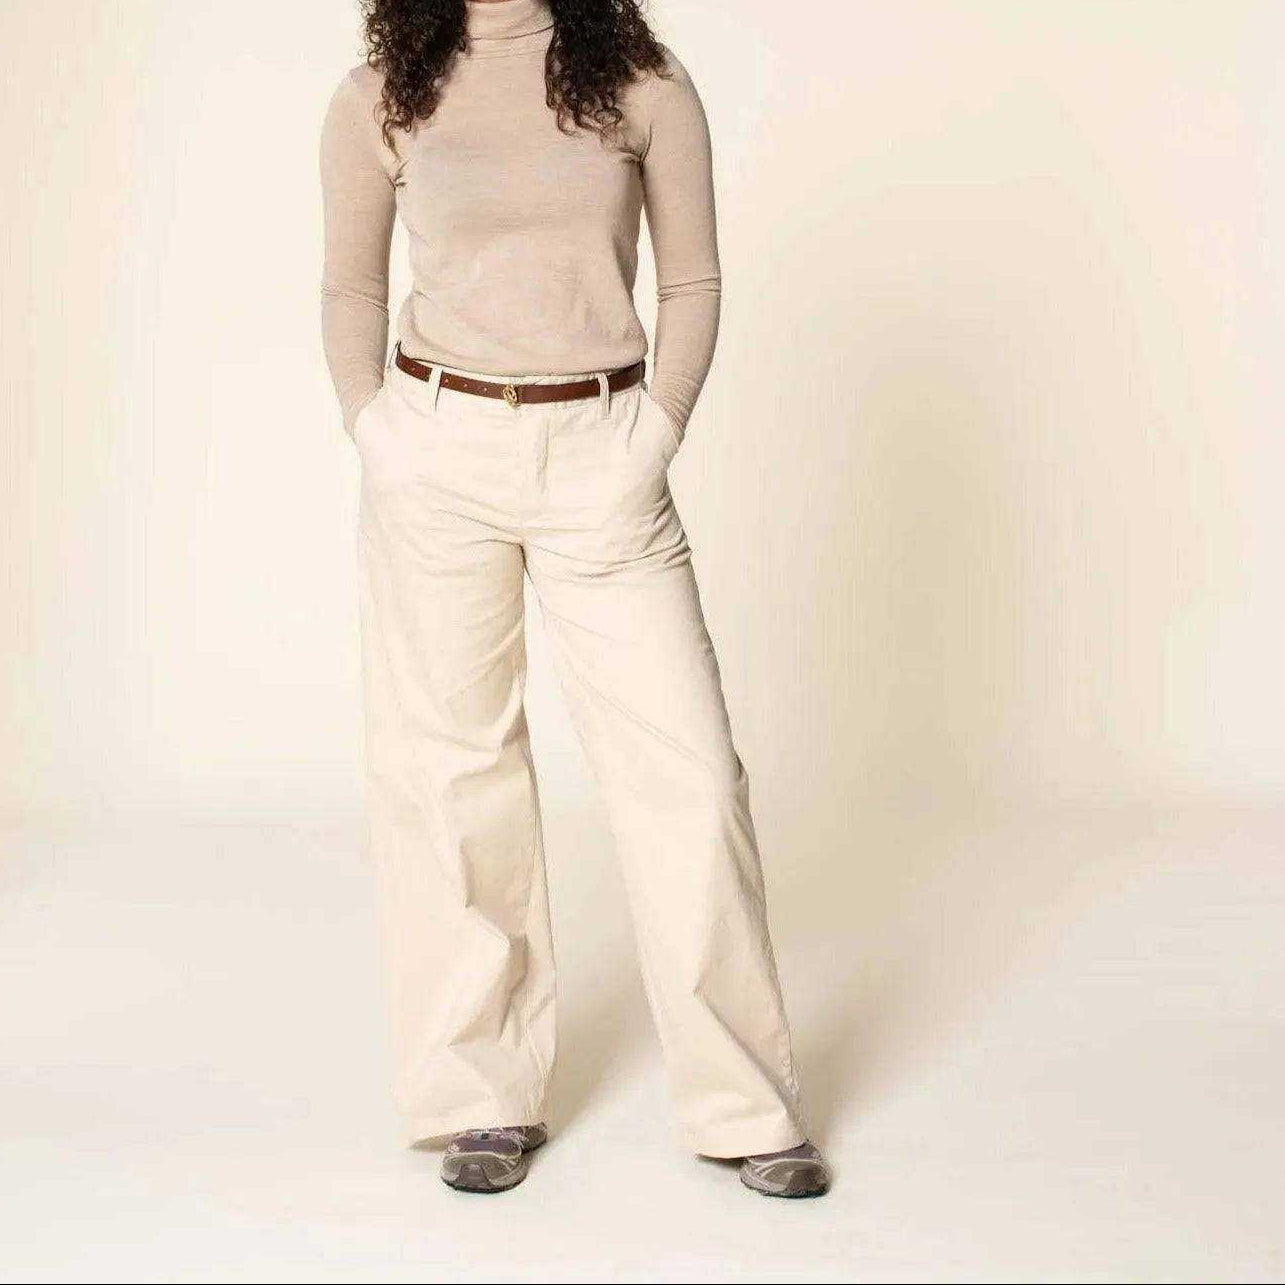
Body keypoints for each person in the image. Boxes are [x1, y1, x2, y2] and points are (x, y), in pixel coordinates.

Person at [319, 0, 830, 1198]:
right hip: (436, 449)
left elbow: (692, 281)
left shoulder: (642, 81)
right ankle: (480, 1096)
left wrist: (653, 436)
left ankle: (744, 1104)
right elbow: (349, 289)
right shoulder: (383, 91)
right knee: (452, 774)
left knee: (688, 777)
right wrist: (376, 430)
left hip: (602, 449)